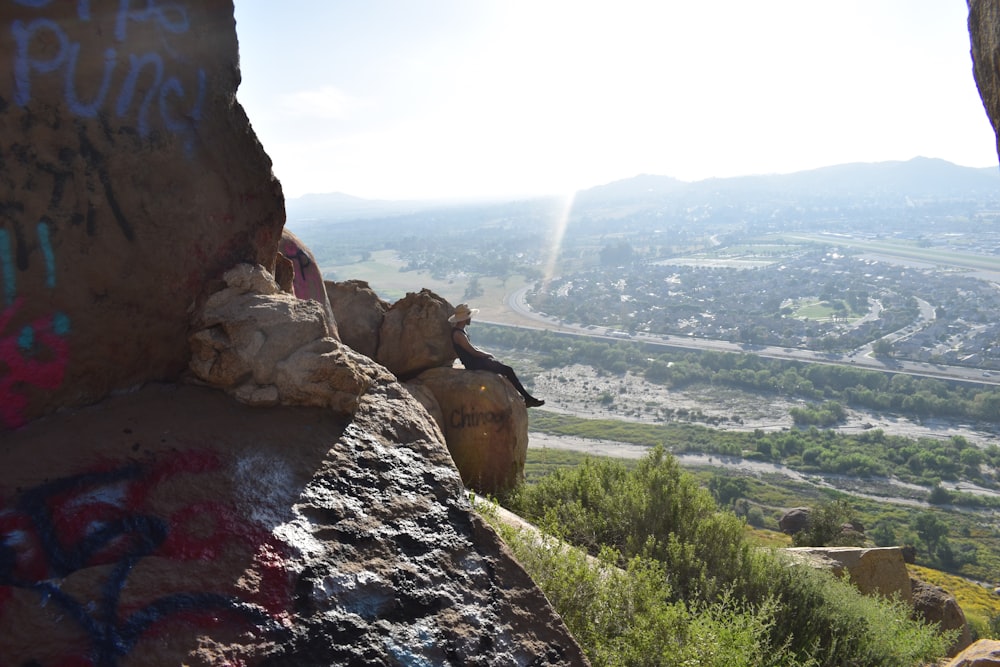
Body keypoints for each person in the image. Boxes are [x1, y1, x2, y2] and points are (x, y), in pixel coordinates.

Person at [449, 303, 545, 407]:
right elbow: (473, 352)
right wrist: (487, 355)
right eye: (468, 316)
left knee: (503, 369)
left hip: (476, 361)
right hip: (474, 363)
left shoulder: (461, 331)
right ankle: (528, 399)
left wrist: (486, 354)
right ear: (464, 319)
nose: (470, 319)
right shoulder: (458, 334)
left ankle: (522, 396)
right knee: (508, 370)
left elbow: (472, 348)